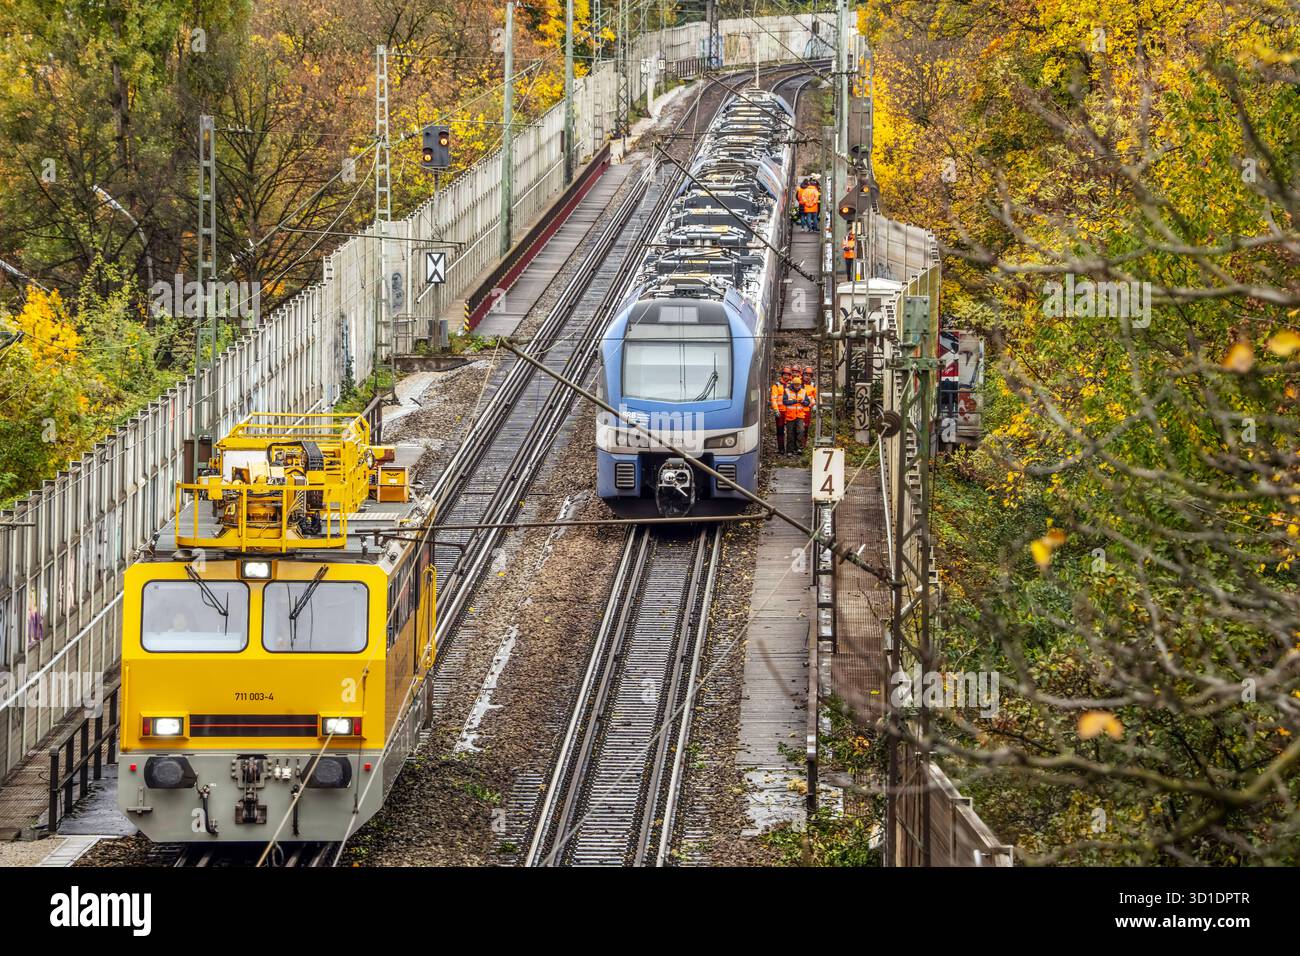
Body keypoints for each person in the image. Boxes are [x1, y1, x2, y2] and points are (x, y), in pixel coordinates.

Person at [784, 373, 811, 452]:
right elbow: (785, 402)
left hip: (800, 416)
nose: (797, 386)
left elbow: (807, 403)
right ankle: (789, 450)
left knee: (801, 431)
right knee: (790, 434)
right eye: (795, 385)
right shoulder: (787, 391)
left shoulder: (803, 391)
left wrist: (803, 402)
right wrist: (794, 401)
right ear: (793, 384)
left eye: (798, 385)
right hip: (790, 416)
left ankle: (799, 448)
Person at [770, 374, 788, 453]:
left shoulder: (791, 385)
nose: (786, 376)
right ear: (782, 375)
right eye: (785, 375)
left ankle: (790, 448)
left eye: (788, 375)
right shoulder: (776, 386)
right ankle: (781, 449)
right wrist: (776, 410)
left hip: (789, 412)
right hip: (780, 412)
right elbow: (774, 399)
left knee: (791, 431)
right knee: (780, 430)